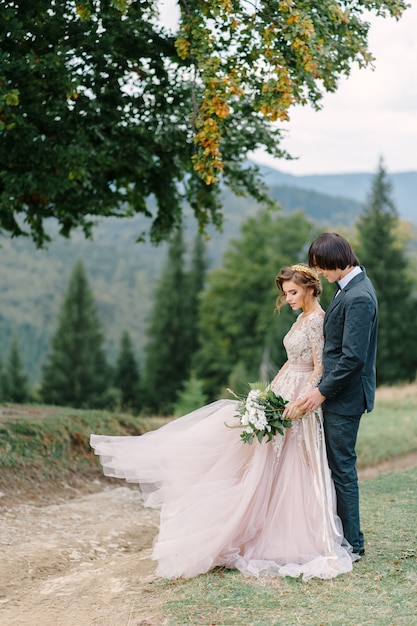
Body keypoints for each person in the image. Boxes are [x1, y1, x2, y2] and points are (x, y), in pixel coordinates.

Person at [90, 264, 357, 581]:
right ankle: (253, 525)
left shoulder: (316, 320)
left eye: (293, 292)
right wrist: (269, 392)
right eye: (285, 294)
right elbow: (290, 360)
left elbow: (319, 367)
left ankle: (289, 534)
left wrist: (301, 400)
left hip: (300, 402)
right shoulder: (300, 318)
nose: (288, 299)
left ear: (311, 288)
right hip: (283, 392)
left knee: (291, 466)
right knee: (263, 460)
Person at [298, 233, 378, 558]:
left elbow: (352, 358)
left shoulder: (359, 297)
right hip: (339, 393)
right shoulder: (349, 289)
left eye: (322, 267)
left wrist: (320, 392)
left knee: (342, 467)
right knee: (336, 465)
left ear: (337, 261)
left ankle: (353, 545)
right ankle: (342, 536)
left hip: (344, 397)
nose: (321, 273)